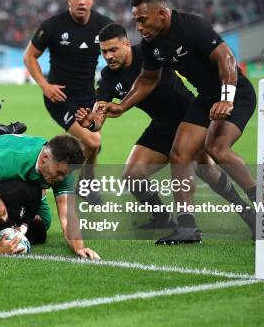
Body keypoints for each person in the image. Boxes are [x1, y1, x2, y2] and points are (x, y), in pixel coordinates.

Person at [109, 0, 257, 244]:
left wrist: (226, 97)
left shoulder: (192, 26)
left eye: (142, 20)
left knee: (216, 148)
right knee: (179, 153)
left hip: (236, 92)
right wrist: (122, 106)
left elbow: (226, 58)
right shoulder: (151, 45)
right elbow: (147, 79)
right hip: (205, 98)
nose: (139, 27)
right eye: (136, 21)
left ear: (162, 14)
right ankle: (187, 226)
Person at [75, 23, 254, 232]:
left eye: (113, 50)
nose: (108, 56)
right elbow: (99, 112)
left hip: (189, 117)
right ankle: (163, 217)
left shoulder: (148, 53)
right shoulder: (107, 76)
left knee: (205, 169)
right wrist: (91, 123)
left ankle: (247, 213)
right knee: (132, 175)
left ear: (126, 44)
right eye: (104, 52)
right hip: (161, 124)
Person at [23, 0, 113, 193]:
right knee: (92, 142)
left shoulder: (104, 26)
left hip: (90, 97)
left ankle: (77, 181)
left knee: (91, 145)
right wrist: (45, 86)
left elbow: (120, 55)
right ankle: (86, 182)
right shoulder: (53, 26)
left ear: (93, 0)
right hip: (60, 98)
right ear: (68, 0)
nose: (81, 2)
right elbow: (29, 57)